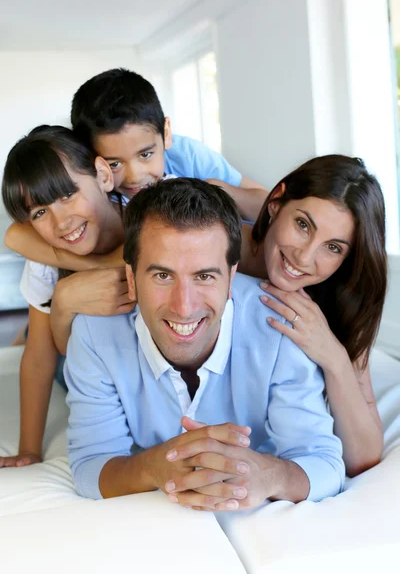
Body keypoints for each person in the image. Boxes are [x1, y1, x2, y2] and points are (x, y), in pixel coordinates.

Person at [64, 177, 344, 509]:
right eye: (163, 275)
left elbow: (324, 464)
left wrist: (269, 475)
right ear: (131, 278)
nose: (184, 306)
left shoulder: (281, 328)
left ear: (231, 278)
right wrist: (151, 467)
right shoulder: (93, 333)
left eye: (205, 276)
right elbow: (89, 464)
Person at [4, 68, 268, 266]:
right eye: (114, 163)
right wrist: (98, 267)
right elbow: (15, 236)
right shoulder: (93, 197)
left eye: (146, 154)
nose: (135, 176)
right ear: (97, 165)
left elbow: (265, 207)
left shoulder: (187, 155)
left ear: (166, 133)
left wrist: (215, 191)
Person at [239, 155, 387, 477]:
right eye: (303, 225)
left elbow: (363, 456)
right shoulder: (212, 244)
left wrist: (332, 355)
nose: (304, 257)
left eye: (333, 248)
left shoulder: (341, 300)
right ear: (276, 202)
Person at [0, 125, 135, 469]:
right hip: (70, 348)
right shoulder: (45, 260)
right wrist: (28, 450)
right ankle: (28, 329)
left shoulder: (148, 216)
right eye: (40, 213)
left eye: (67, 195)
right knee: (43, 343)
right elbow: (40, 358)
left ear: (103, 175)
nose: (61, 222)